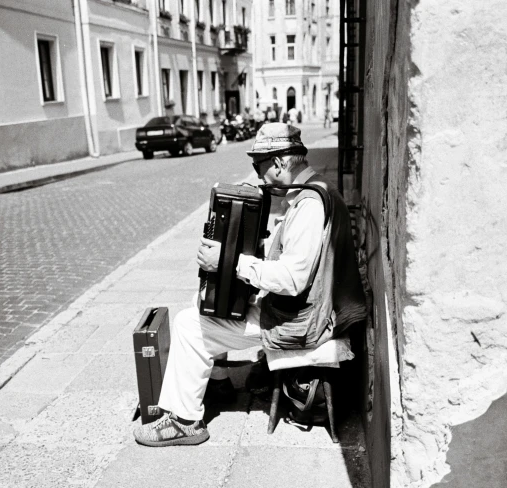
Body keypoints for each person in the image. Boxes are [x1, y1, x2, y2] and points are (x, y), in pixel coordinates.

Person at [133, 123, 367, 447]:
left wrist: (230, 263)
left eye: (260, 167)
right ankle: (218, 382)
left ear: (280, 163)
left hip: (303, 321)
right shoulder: (318, 189)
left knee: (189, 323)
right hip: (307, 309)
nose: (259, 177)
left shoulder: (310, 206)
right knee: (206, 300)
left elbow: (291, 280)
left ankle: (185, 421)